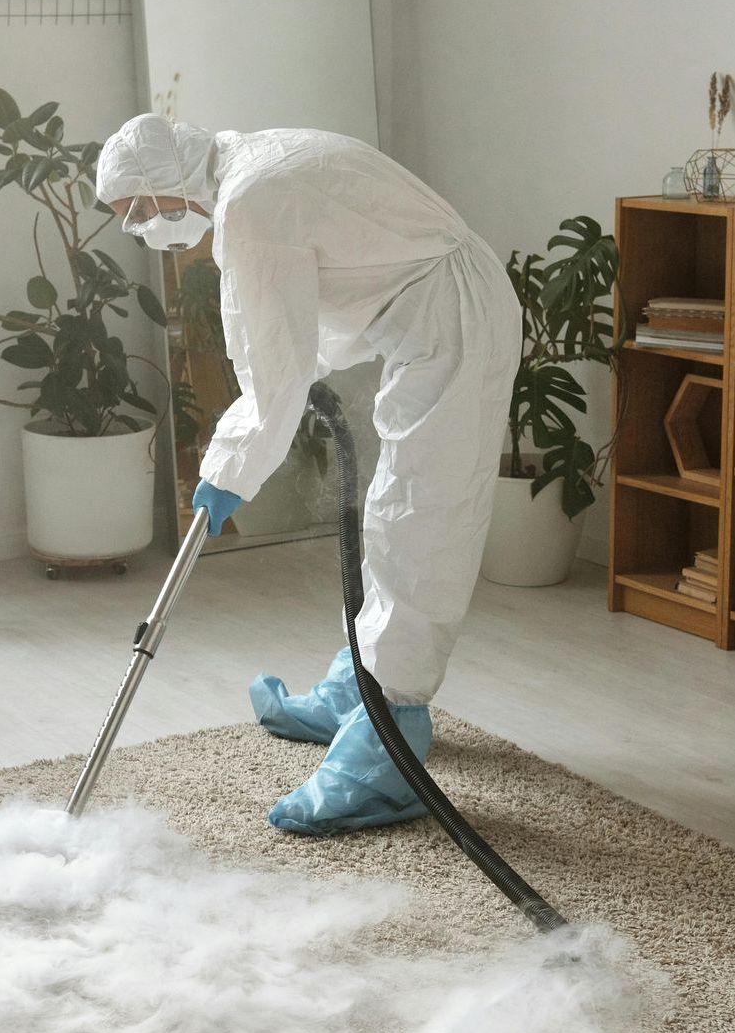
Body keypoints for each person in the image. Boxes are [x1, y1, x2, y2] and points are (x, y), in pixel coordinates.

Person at [96, 114, 520, 838]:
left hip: (453, 318)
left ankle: (389, 742)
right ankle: (357, 684)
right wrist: (254, 435)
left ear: (168, 184)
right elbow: (304, 316)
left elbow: (271, 369)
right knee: (393, 512)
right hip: (428, 313)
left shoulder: (251, 204)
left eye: (138, 208)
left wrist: (231, 467)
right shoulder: (250, 168)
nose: (139, 227)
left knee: (418, 520)